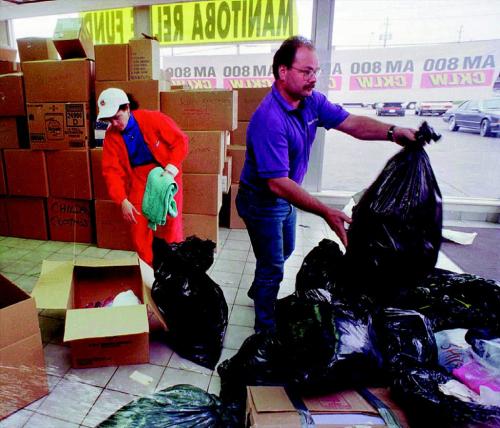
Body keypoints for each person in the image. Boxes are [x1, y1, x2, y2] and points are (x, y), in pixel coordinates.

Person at [236, 35, 417, 333]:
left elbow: (351, 123)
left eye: (316, 71)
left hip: (286, 196)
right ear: (283, 71)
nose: (313, 79)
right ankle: (264, 331)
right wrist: (326, 211)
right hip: (262, 202)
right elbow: (277, 184)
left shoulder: (312, 102)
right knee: (273, 267)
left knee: (287, 248)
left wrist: (393, 132)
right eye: (306, 71)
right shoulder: (268, 119)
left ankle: (260, 290)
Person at [97, 88, 188, 266]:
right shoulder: (111, 136)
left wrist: (170, 169)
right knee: (138, 226)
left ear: (127, 108)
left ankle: (174, 267)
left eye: (117, 117)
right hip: (139, 179)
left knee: (172, 223)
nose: (114, 123)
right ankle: (147, 269)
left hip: (165, 174)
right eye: (109, 120)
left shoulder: (152, 118)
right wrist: (122, 200)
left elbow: (180, 141)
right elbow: (111, 171)